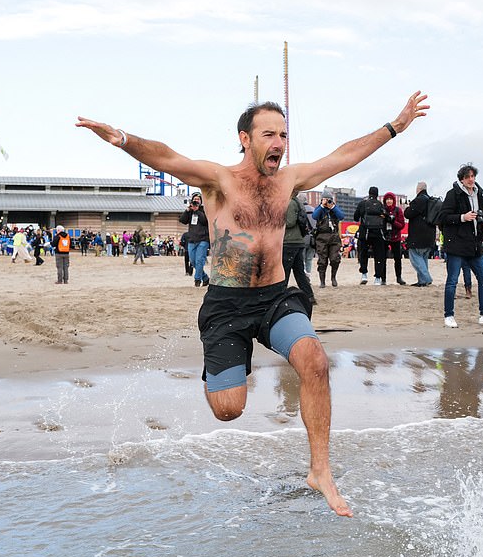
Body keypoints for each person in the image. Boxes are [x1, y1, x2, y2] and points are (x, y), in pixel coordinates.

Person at [77, 90, 430, 517]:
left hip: (276, 297)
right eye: (269, 134)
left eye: (283, 134)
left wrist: (394, 127)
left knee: (314, 360)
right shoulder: (218, 180)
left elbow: (344, 156)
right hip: (227, 305)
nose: (279, 143)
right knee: (229, 410)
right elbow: (168, 158)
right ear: (245, 138)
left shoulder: (288, 180)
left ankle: (320, 470)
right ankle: (223, 367)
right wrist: (124, 139)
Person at [437, 164, 483, 328]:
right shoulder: (453, 194)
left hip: (474, 244)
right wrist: (462, 217)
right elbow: (443, 217)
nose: (471, 180)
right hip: (456, 244)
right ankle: (449, 315)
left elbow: (478, 218)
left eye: (473, 176)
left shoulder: (480, 194)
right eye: (467, 177)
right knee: (452, 280)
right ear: (461, 179)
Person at [282, 192, 316, 305]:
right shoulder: (297, 202)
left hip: (289, 241)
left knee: (284, 271)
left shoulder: (290, 203)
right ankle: (309, 296)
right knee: (299, 271)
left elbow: (290, 222)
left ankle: (280, 296)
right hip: (296, 241)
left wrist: (277, 221)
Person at [354, 186, 387, 285]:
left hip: (365, 232)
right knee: (379, 255)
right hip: (378, 233)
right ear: (377, 194)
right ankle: (377, 278)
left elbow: (355, 218)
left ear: (369, 193)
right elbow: (385, 218)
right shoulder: (380, 205)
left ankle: (364, 274)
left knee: (363, 253)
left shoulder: (362, 204)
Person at [404, 181, 435, 286]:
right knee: (423, 259)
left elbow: (408, 214)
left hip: (418, 236)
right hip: (430, 234)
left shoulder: (418, 200)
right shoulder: (431, 200)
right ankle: (422, 281)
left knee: (415, 258)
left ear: (418, 189)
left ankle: (426, 278)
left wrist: (408, 207)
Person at [312, 190, 344, 288]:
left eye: (329, 199)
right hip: (321, 237)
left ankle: (333, 277)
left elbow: (341, 216)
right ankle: (322, 281)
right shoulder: (320, 209)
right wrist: (322, 206)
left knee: (335, 259)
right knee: (322, 260)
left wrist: (333, 207)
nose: (327, 201)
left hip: (334, 237)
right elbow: (314, 216)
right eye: (325, 199)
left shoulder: (334, 208)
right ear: (322, 199)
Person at [178, 192, 210, 287]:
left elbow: (205, 221)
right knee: (193, 261)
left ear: (201, 201)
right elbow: (182, 221)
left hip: (203, 239)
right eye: (194, 199)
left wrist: (197, 211)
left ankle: (197, 280)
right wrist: (188, 210)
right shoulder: (190, 211)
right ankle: (205, 278)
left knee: (200, 260)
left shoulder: (205, 210)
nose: (196, 201)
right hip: (192, 239)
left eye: (198, 199)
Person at [382, 192, 407, 285]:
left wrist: (393, 221)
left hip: (396, 237)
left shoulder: (398, 210)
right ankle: (383, 278)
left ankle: (399, 277)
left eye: (390, 199)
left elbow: (401, 225)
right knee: (383, 259)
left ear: (394, 200)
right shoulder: (382, 210)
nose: (389, 201)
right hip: (384, 237)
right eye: (387, 199)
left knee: (398, 259)